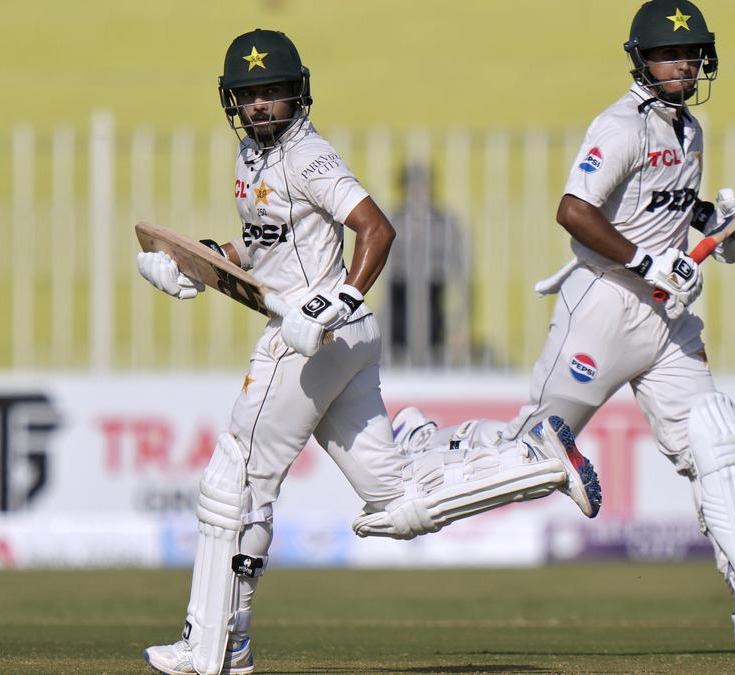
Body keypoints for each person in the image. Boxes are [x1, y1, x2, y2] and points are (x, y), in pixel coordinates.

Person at [135, 29, 602, 675]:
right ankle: (534, 457)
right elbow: (262, 256)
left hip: (315, 337)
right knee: (395, 498)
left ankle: (215, 645)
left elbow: (377, 228)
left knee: (235, 478)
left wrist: (336, 300)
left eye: (273, 93)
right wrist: (196, 265)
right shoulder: (250, 158)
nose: (261, 106)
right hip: (336, 338)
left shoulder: (308, 157)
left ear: (297, 95)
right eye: (250, 95)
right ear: (232, 102)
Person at [393, 0, 735, 652]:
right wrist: (649, 261)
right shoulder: (621, 125)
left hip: (665, 320)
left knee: (717, 435)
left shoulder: (691, 131)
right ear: (641, 60)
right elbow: (573, 210)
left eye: (689, 53)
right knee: (534, 456)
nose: (681, 63)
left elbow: (665, 209)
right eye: (667, 54)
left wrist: (717, 225)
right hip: (601, 308)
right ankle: (422, 444)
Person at [386, 163, 466, 366]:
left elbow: (460, 273)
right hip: (399, 300)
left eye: (421, 184)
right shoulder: (394, 221)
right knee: (397, 361)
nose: (417, 190)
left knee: (433, 360)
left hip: (433, 300)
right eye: (412, 184)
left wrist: (459, 324)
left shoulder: (444, 224)